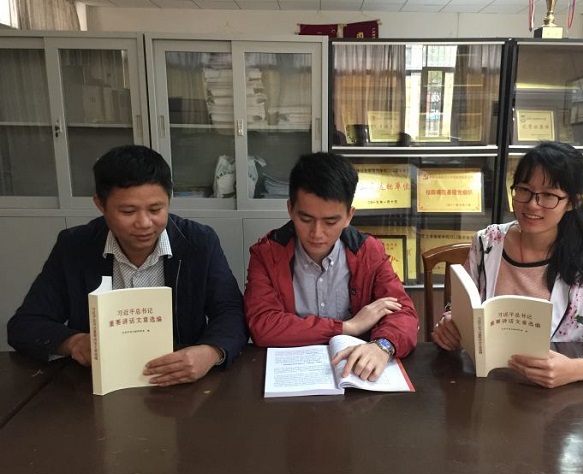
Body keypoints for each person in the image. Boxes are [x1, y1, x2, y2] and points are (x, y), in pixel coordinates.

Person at [7, 145, 248, 386]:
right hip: (96, 384)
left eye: (155, 209)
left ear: (169, 200)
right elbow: (25, 324)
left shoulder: (198, 242)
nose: (144, 223)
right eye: (128, 211)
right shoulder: (75, 246)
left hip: (180, 383)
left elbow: (230, 312)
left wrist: (210, 352)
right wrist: (75, 343)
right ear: (100, 205)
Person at [432, 141, 583, 388]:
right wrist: (450, 324)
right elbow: (463, 308)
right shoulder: (487, 242)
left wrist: (581, 368)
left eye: (548, 195)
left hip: (560, 392)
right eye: (524, 190)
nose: (532, 204)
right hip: (488, 383)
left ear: (573, 201)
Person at [244, 152, 418, 381]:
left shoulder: (368, 252)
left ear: (349, 216)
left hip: (355, 375)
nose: (317, 233)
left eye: (330, 222)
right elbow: (263, 326)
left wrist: (382, 346)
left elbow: (403, 313)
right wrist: (347, 327)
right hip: (291, 375)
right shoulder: (267, 254)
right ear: (290, 209)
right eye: (306, 219)